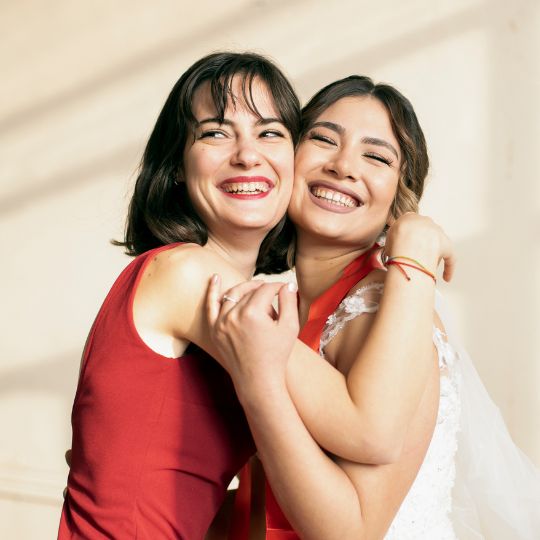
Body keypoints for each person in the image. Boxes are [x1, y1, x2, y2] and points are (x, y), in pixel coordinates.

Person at [207, 76, 540, 539]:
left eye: (377, 156)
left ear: (397, 199)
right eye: (323, 139)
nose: (343, 166)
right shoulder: (286, 308)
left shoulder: (379, 311)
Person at [58, 51, 301, 539]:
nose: (247, 154)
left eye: (270, 132)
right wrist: (411, 259)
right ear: (175, 166)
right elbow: (362, 429)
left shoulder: (217, 290)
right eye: (215, 132)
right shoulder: (188, 274)